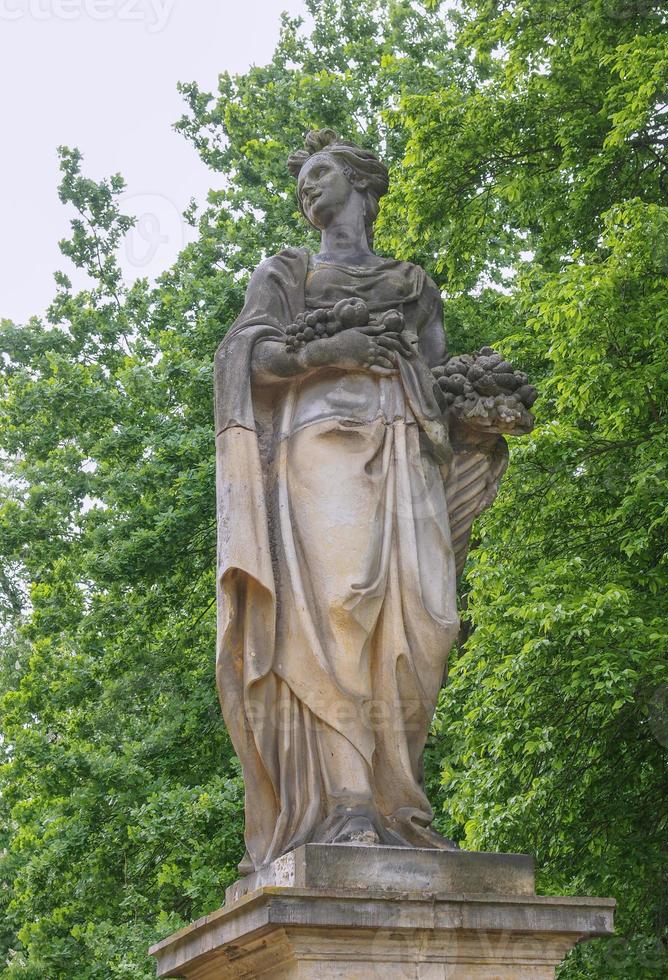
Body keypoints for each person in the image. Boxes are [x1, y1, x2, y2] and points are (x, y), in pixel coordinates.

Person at [214, 129, 463, 874]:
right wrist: (327, 352)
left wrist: (478, 414)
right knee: (339, 610)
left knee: (428, 621)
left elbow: (440, 378)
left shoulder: (413, 284)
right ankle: (350, 804)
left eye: (320, 175)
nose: (306, 190)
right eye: (300, 183)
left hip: (405, 453)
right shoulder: (284, 272)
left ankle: (399, 804)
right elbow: (243, 357)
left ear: (362, 184)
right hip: (318, 445)